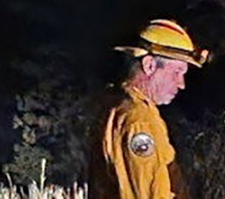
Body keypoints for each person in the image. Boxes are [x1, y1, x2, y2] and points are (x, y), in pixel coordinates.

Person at [90, 19, 210, 198]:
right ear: (149, 65)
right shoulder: (138, 120)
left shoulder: (120, 107)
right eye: (177, 72)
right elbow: (149, 192)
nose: (181, 84)